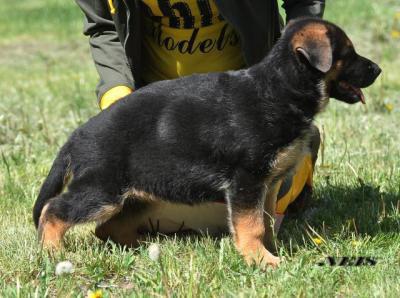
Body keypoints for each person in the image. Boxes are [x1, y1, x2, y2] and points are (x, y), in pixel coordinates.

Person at [75, 0, 324, 239]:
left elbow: (303, 2)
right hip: (161, 118)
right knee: (116, 199)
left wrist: (291, 64)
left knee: (254, 196)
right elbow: (104, 25)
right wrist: (119, 102)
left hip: (246, 112)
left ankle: (299, 157)